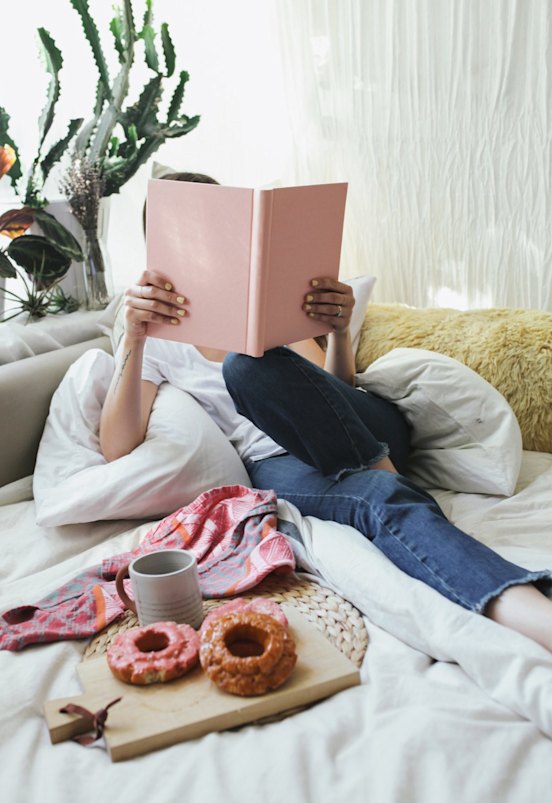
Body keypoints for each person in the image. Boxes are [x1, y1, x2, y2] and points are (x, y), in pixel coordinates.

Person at [100, 171, 552, 652]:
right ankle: (535, 614)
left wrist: (337, 333)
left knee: (247, 367)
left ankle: (380, 471)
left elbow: (333, 395)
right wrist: (134, 337)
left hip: (364, 428)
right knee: (378, 494)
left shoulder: (259, 304)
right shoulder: (158, 338)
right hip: (278, 463)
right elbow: (117, 447)